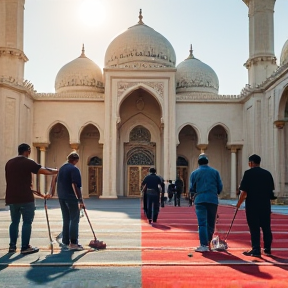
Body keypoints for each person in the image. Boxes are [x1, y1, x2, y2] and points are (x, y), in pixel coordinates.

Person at [5, 143, 58, 254]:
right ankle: (25, 247)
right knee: (27, 222)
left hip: (11, 198)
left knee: (14, 222)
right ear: (27, 151)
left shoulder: (9, 163)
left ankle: (12, 246)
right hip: (25, 198)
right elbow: (43, 170)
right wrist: (55, 171)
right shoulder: (28, 162)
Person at [237, 154, 274, 257]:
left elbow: (244, 192)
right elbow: (271, 192)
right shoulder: (267, 174)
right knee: (266, 227)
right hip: (265, 205)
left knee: (254, 228)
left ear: (251, 163)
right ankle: (267, 248)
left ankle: (256, 249)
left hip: (252, 206)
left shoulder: (248, 173)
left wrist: (238, 204)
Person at [189, 154, 223, 252]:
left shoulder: (194, 173)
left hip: (200, 199)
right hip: (212, 199)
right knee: (211, 222)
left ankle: (203, 245)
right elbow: (220, 187)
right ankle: (208, 241)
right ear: (207, 162)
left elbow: (192, 188)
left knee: (202, 223)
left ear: (198, 163)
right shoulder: (215, 172)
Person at [57, 152, 84, 250]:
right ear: (76, 160)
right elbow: (75, 185)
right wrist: (80, 200)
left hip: (61, 197)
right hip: (70, 197)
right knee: (74, 219)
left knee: (66, 218)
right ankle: (73, 243)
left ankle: (65, 240)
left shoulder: (62, 168)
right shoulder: (74, 169)